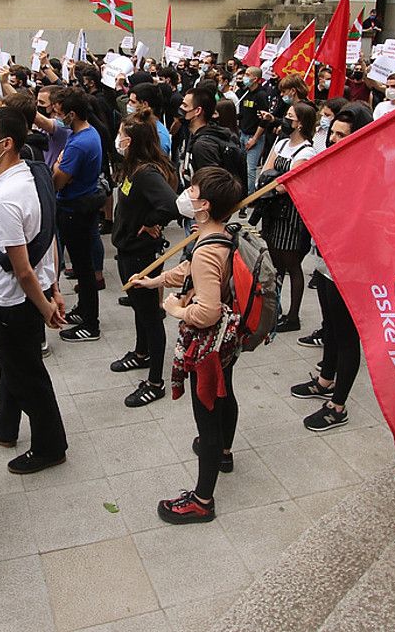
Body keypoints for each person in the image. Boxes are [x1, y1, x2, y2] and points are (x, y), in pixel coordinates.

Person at [129, 166, 244, 524]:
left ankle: (201, 500)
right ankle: (224, 452)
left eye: (193, 189)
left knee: (206, 413)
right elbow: (189, 271)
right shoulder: (217, 235)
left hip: (208, 342)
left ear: (205, 204)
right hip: (229, 338)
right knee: (225, 393)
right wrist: (154, 281)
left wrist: (175, 308)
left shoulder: (208, 248)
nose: (187, 193)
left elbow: (207, 311)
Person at [0, 107, 70, 474]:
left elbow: (22, 269)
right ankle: (4, 424)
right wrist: (54, 287)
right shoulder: (34, 174)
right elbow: (48, 238)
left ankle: (50, 445)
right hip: (33, 292)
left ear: (6, 143)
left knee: (27, 374)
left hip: (15, 301)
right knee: (11, 363)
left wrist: (45, 305)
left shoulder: (5, 197)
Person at [292, 109, 368, 431]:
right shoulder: (331, 165)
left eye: (342, 134)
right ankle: (325, 380)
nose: (335, 139)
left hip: (349, 265)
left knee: (347, 334)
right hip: (324, 259)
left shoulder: (366, 174)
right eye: (332, 133)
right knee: (330, 327)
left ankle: (338, 406)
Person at [107, 110, 180, 407]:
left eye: (122, 135)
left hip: (140, 255)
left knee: (150, 315)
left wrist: (151, 221)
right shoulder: (134, 167)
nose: (118, 139)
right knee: (140, 309)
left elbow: (171, 205)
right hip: (128, 251)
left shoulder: (147, 172)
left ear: (133, 140)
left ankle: (155, 382)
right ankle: (141, 353)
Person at [259, 101, 319, 333]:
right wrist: (273, 181)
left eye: (290, 116)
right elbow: (266, 172)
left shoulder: (306, 151)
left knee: (291, 263)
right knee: (275, 262)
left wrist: (274, 182)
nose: (285, 119)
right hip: (273, 211)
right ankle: (276, 310)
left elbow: (287, 184)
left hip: (290, 215)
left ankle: (293, 315)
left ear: (301, 123)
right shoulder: (282, 143)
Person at [54, 88, 105, 342]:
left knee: (84, 270)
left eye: (59, 111)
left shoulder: (79, 144)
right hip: (79, 208)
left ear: (72, 114)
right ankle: (84, 309)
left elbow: (58, 181)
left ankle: (90, 324)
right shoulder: (88, 133)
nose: (55, 115)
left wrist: (56, 165)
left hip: (74, 210)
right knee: (83, 266)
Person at [236, 67, 272, 192]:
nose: (244, 77)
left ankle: (249, 195)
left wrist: (255, 138)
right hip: (243, 134)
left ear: (255, 78)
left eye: (247, 74)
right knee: (240, 166)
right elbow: (243, 114)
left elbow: (264, 119)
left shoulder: (261, 95)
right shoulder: (246, 93)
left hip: (254, 137)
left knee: (250, 169)